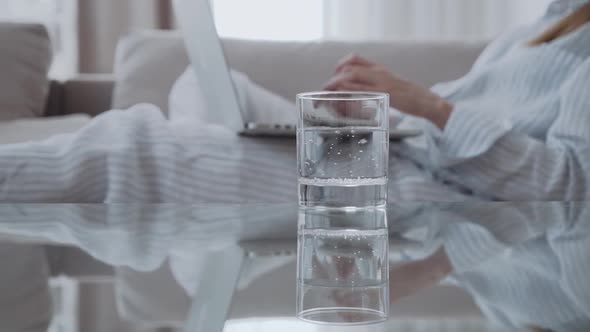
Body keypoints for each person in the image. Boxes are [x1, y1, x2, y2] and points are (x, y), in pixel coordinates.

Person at [0, 0, 589, 203]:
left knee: (138, 152)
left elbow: (566, 183)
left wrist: (426, 105)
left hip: (414, 181)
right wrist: (389, 111)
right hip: (395, 149)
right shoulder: (544, 25)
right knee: (207, 87)